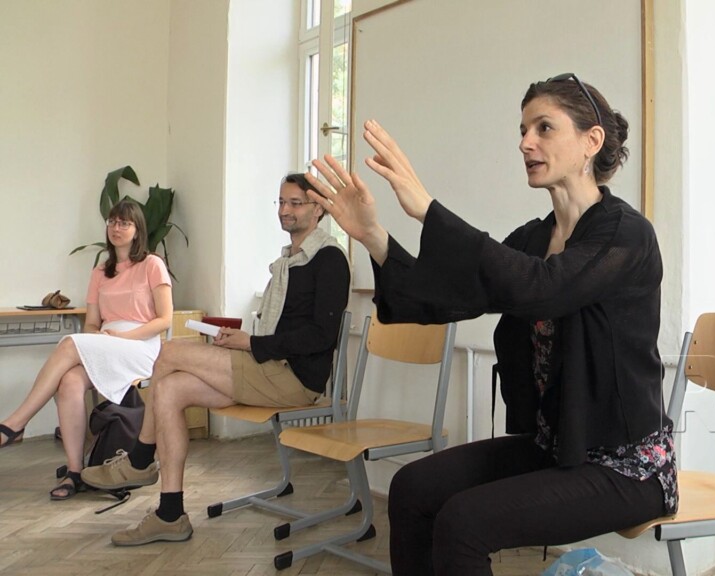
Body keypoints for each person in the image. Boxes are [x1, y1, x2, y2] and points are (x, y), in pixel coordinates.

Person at [305, 73, 677, 575]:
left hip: (627, 467)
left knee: (464, 522)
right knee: (411, 488)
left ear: (592, 140)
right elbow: (444, 300)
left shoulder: (626, 234)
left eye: (544, 127)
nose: (525, 142)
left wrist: (428, 210)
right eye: (523, 130)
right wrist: (374, 236)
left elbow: (544, 287)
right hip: (556, 448)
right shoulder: (532, 239)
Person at [81, 173, 350, 546]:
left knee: (169, 351)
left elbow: (322, 336)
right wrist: (240, 341)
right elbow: (280, 328)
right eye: (281, 202)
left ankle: (141, 459)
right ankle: (170, 515)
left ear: (318, 209)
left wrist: (252, 343)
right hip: (267, 368)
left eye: (295, 203)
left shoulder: (330, 259)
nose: (284, 210)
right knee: (170, 389)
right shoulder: (287, 261)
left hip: (294, 379)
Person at [0, 199, 173, 501]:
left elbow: (165, 319)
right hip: (108, 343)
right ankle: (75, 472)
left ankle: (15, 423)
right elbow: (92, 323)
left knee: (69, 343)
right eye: (112, 221)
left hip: (140, 346)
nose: (116, 227)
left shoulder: (152, 265)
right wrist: (100, 338)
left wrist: (124, 337)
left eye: (124, 223)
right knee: (69, 381)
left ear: (137, 230)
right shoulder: (100, 272)